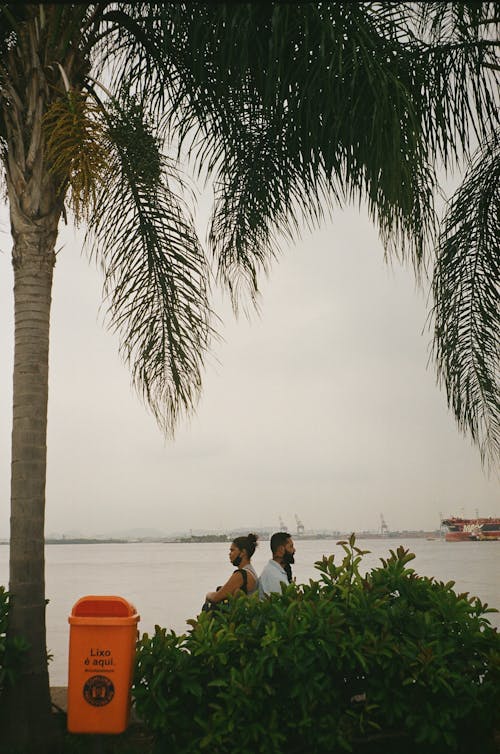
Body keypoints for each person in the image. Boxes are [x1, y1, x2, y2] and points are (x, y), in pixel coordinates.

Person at [204, 533, 259, 607]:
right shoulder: (251, 571)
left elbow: (216, 597)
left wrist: (208, 595)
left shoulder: (241, 575)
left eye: (232, 550)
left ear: (243, 552)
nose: (229, 554)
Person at [259, 532, 296, 598]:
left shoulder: (277, 571)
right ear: (281, 549)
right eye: (291, 547)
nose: (294, 550)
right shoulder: (274, 576)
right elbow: (282, 602)